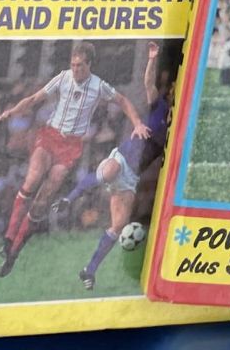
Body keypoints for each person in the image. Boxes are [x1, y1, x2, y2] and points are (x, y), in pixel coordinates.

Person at [0, 43, 146, 277]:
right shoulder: (63, 78)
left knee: (43, 199)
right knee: (31, 180)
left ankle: (13, 253)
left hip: (71, 146)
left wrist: (137, 123)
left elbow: (123, 100)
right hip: (50, 136)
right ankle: (7, 239)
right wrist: (13, 111)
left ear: (89, 65)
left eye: (80, 66)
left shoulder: (98, 86)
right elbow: (35, 97)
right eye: (73, 65)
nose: (75, 70)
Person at [55, 42, 175, 291]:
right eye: (174, 91)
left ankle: (89, 271)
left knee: (118, 225)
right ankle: (69, 198)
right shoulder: (160, 106)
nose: (174, 94)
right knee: (109, 171)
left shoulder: (179, 127)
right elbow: (149, 83)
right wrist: (152, 58)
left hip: (131, 178)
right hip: (120, 159)